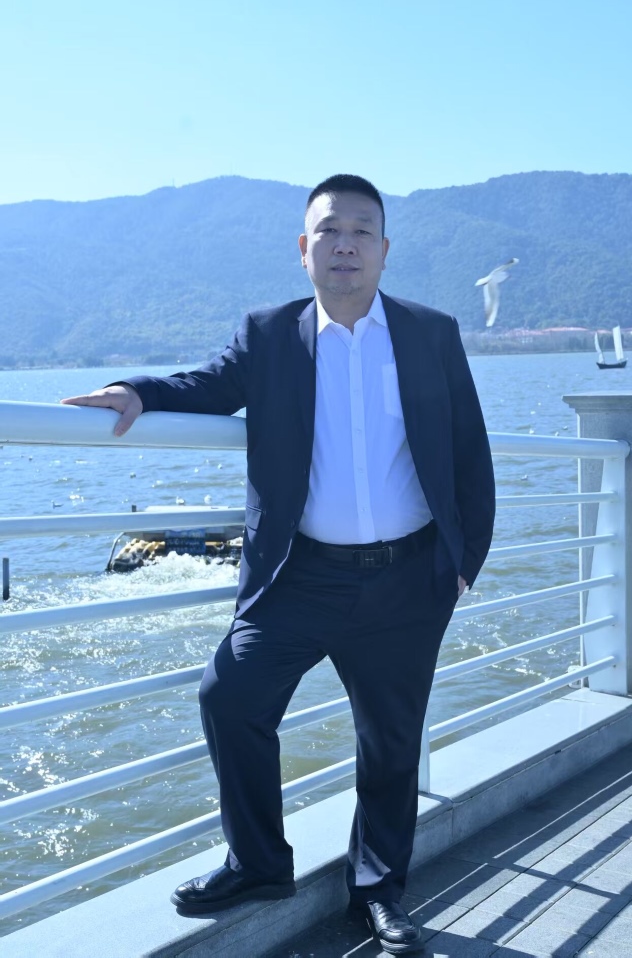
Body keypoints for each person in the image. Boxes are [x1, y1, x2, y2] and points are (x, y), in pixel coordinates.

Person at [62, 174, 495, 955]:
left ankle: (379, 890)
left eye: (361, 230)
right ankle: (259, 862)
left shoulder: (431, 333)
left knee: (392, 743)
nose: (345, 244)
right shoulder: (268, 335)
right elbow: (206, 384)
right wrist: (136, 389)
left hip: (408, 580)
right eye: (329, 230)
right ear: (304, 249)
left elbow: (470, 450)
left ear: (385, 250)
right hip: (299, 576)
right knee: (229, 695)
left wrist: (465, 561)